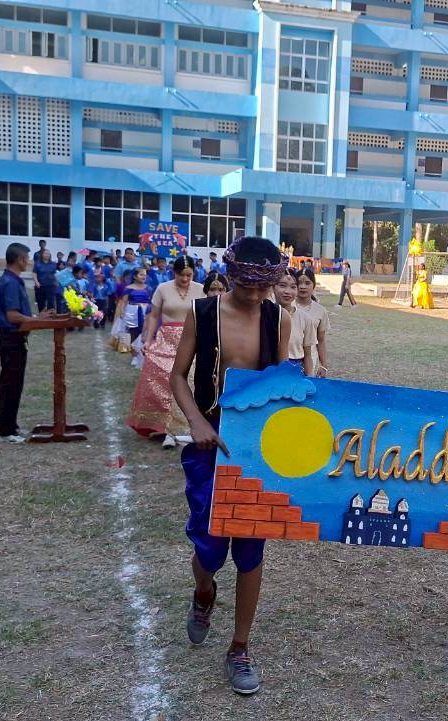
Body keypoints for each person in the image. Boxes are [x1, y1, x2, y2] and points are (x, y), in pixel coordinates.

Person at [169, 236, 291, 695]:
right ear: (230, 276)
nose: (256, 296)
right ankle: (204, 592)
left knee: (251, 551)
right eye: (247, 287)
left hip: (255, 450)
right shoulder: (203, 313)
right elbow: (177, 375)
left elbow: (281, 382)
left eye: (264, 288)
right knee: (209, 548)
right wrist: (196, 421)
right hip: (210, 444)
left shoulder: (278, 318)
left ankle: (240, 647)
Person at [129, 256, 205, 446]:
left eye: (189, 275)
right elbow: (154, 316)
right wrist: (148, 339)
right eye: (181, 275)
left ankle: (186, 426)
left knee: (189, 380)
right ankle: (163, 426)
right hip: (166, 339)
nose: (185, 279)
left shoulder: (200, 289)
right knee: (162, 379)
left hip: (192, 339)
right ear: (174, 272)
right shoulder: (163, 288)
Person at [0, 243, 49, 443]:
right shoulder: (10, 282)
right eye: (27, 258)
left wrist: (35, 317)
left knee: (14, 385)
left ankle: (11, 426)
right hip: (10, 339)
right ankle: (5, 431)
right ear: (19, 260)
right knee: (10, 385)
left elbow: (19, 313)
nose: (29, 262)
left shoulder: (14, 280)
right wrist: (36, 321)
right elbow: (12, 315)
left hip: (16, 339)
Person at [275, 269, 316, 376]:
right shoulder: (264, 315)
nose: (287, 291)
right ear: (272, 287)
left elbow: (308, 355)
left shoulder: (305, 319)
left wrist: (309, 378)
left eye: (293, 287)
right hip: (269, 371)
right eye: (282, 285)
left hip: (295, 373)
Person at [294, 268, 331, 377]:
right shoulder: (287, 307)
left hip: (311, 360)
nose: (302, 287)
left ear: (313, 285)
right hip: (289, 358)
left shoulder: (320, 311)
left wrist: (323, 365)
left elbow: (321, 340)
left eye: (307, 283)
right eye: (299, 283)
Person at [112, 268, 153, 354]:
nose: (144, 277)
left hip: (145, 311)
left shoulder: (149, 288)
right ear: (135, 276)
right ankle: (131, 349)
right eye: (141, 275)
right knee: (131, 331)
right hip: (132, 311)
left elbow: (151, 301)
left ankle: (140, 350)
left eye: (145, 275)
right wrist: (122, 311)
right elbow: (124, 301)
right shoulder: (129, 288)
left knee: (143, 330)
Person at [32, 240, 57, 312]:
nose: (47, 255)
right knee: (41, 303)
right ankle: (41, 316)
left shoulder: (53, 264)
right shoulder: (37, 263)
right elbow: (34, 273)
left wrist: (56, 282)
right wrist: (36, 282)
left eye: (48, 254)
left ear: (50, 255)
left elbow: (56, 274)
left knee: (51, 303)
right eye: (45, 253)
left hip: (51, 286)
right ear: (42, 255)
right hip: (40, 286)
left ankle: (51, 316)